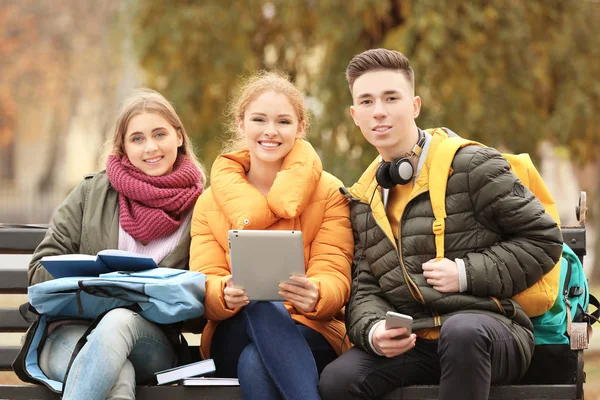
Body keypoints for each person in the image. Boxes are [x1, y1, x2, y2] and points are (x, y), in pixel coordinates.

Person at [318, 48, 563, 400]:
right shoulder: (364, 196)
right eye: (367, 102)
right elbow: (365, 285)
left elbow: (542, 239)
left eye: (391, 98)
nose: (380, 112)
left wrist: (464, 272)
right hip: (419, 340)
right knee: (338, 380)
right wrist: (373, 331)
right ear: (355, 115)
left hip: (491, 330)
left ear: (415, 105)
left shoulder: (472, 164)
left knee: (462, 333)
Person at [28, 88, 206, 400]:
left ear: (178, 136)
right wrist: (97, 284)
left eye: (159, 134)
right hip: (68, 334)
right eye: (137, 138)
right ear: (123, 147)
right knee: (118, 376)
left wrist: (152, 296)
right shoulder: (91, 194)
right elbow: (38, 272)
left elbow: (202, 307)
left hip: (150, 344)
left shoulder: (203, 208)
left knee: (118, 321)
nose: (150, 147)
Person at [190, 71, 353, 400]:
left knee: (255, 362)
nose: (270, 131)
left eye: (283, 121)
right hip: (234, 330)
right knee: (260, 304)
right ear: (241, 124)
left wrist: (317, 294)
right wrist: (223, 293)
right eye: (259, 119)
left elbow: (335, 271)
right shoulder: (209, 202)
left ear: (300, 127)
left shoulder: (328, 192)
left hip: (312, 330)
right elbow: (203, 279)